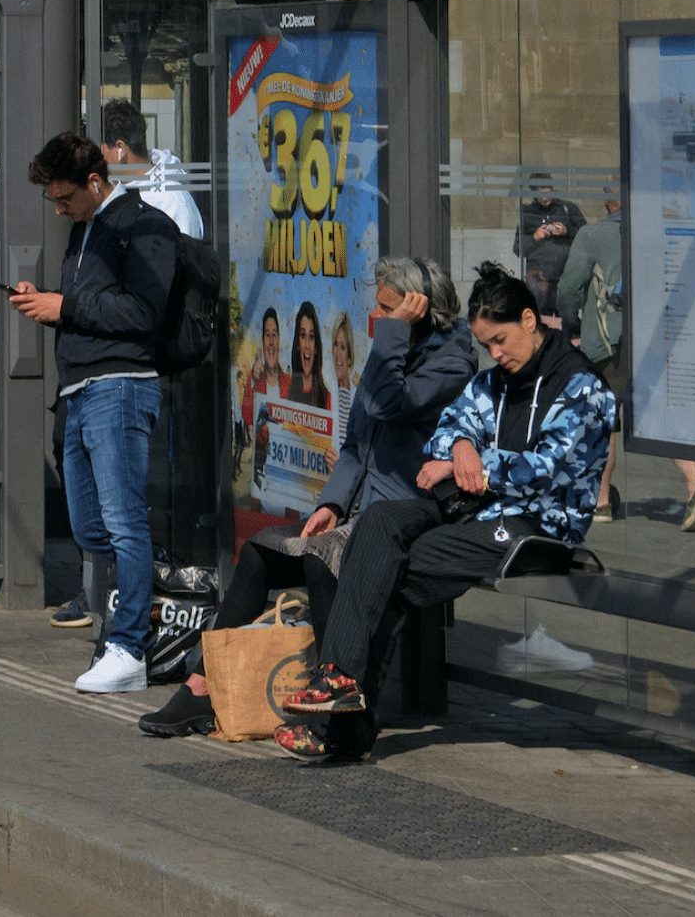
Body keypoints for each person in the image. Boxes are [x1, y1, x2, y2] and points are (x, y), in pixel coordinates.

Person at [275, 262, 616, 763]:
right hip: (476, 508)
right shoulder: (495, 379)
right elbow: (449, 427)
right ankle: (340, 682)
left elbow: (549, 469)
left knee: (389, 566)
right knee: (380, 522)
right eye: (486, 347)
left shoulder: (584, 389)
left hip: (540, 525)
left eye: (500, 341)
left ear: (529, 319)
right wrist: (459, 445)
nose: (495, 356)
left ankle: (343, 724)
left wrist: (477, 462)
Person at [138, 257, 474, 737]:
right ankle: (200, 685)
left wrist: (392, 337)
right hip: (359, 509)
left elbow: (388, 404)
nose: (376, 316)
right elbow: (358, 442)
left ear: (420, 311)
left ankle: (338, 703)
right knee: (260, 553)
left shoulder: (451, 360)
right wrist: (331, 504)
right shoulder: (391, 351)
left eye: (388, 308)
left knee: (321, 560)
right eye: (377, 306)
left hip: (406, 513)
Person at [13, 131, 176, 693]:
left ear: (93, 181)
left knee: (123, 522)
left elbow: (144, 312)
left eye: (65, 199)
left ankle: (129, 646)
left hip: (122, 385)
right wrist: (51, 304)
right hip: (80, 389)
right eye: (51, 201)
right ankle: (146, 602)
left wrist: (67, 305)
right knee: (88, 525)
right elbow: (91, 308)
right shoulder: (84, 230)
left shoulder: (145, 225)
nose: (59, 210)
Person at [552, 188, 695, 530]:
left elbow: (568, 288)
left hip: (608, 344)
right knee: (660, 416)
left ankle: (602, 501)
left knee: (605, 421)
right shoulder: (660, 232)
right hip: (655, 341)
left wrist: (573, 323)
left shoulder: (593, 234)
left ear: (609, 205)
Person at [99, 98, 202, 239]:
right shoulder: (113, 194)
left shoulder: (173, 201)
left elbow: (187, 258)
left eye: (99, 149)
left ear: (120, 149)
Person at [514, 171, 585, 311]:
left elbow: (586, 237)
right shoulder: (528, 214)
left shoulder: (567, 208)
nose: (545, 198)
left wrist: (567, 231)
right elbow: (517, 248)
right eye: (540, 194)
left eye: (547, 192)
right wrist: (535, 237)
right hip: (539, 279)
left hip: (565, 275)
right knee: (542, 321)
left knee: (567, 320)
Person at [284, 300, 331, 408]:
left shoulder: (326, 398)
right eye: (303, 335)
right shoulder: (286, 392)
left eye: (311, 337)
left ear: (316, 348)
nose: (307, 345)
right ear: (297, 345)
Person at [330, 313, 358, 445]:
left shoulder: (359, 399)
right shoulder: (327, 395)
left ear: (350, 358)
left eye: (342, 347)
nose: (337, 354)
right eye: (335, 345)